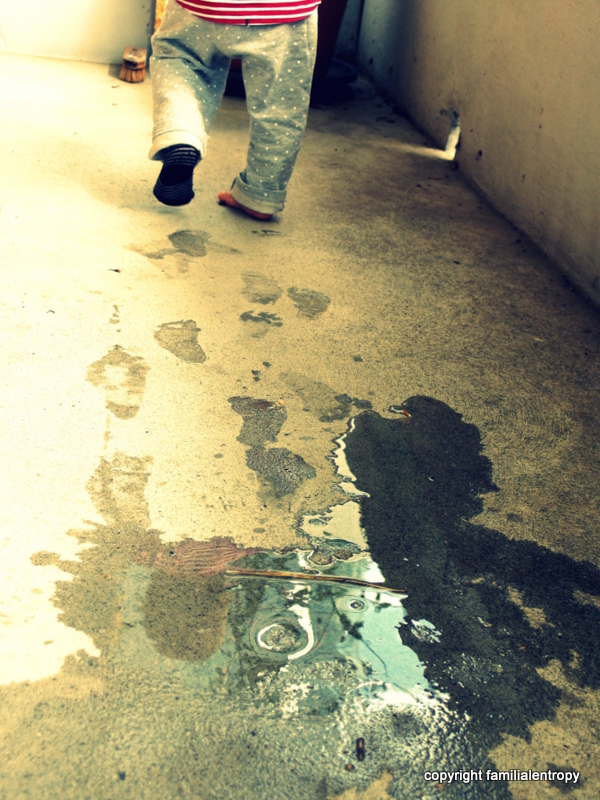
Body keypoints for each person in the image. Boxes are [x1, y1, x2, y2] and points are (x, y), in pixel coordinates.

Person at [149, 0, 321, 220]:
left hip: (201, 7)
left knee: (181, 59)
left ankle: (181, 135)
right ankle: (260, 194)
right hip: (283, 11)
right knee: (279, 104)